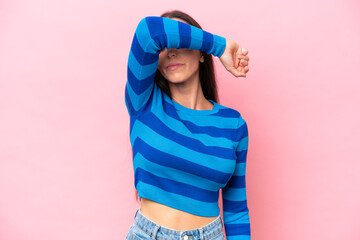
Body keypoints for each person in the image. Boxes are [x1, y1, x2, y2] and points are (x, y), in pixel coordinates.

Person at [125, 9, 250, 240]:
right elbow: (149, 31)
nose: (171, 51)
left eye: (182, 41)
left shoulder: (233, 124)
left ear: (202, 54)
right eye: (166, 45)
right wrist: (220, 46)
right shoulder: (143, 101)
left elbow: (236, 211)